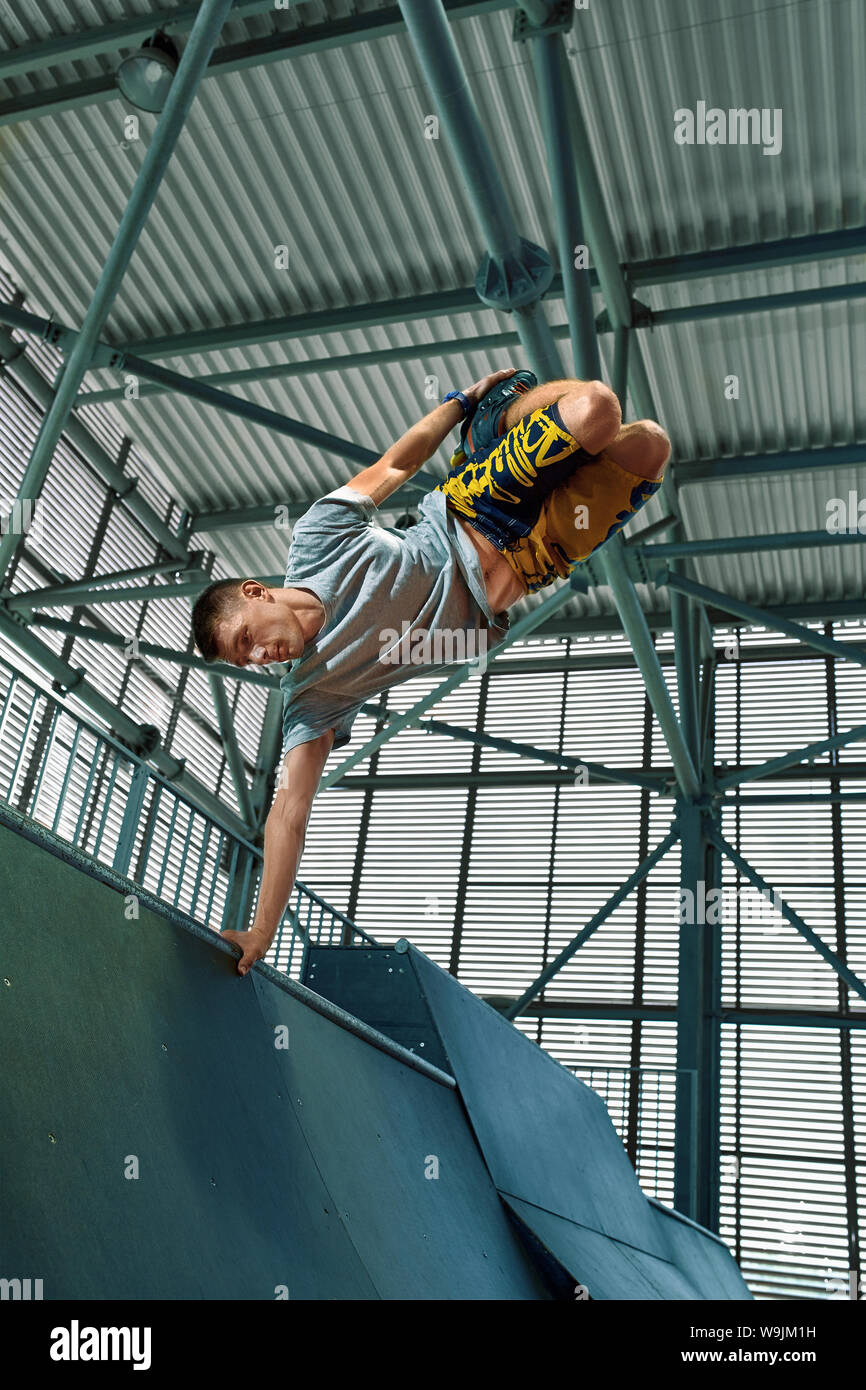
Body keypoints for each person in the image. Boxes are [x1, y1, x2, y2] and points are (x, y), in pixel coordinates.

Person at [191, 368, 671, 974]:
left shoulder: (316, 539)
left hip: (476, 506)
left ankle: (494, 420)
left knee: (598, 408)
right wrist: (262, 931)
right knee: (651, 445)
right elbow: (289, 813)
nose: (260, 659)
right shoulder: (314, 696)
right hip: (533, 558)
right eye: (246, 662)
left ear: (256, 594)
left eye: (246, 641)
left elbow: (397, 464)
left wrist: (460, 402)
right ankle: (511, 429)